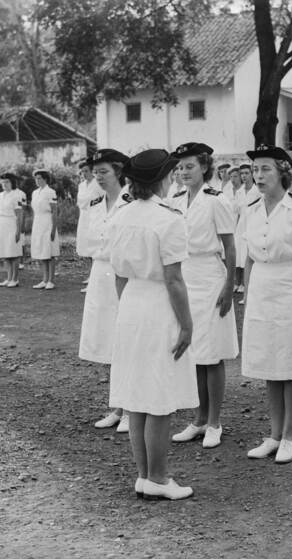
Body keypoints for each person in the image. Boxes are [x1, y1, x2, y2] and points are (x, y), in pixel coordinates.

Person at [108, 148, 197, 501]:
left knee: (136, 395)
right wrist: (187, 325)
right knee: (157, 396)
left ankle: (144, 476)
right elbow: (174, 279)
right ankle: (158, 478)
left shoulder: (119, 216)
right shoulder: (169, 218)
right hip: (159, 304)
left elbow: (117, 275)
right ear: (163, 178)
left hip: (132, 303)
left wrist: (127, 312)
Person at [241, 145, 292, 464]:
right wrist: (248, 295)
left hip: (289, 284)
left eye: (265, 170)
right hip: (261, 285)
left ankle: (290, 435)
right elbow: (247, 259)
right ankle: (273, 434)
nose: (258, 176)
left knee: (289, 362)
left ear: (283, 173)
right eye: (255, 170)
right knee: (268, 364)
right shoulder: (251, 209)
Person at [169, 142, 239, 449]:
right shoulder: (175, 200)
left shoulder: (216, 200)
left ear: (204, 168)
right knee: (194, 351)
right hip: (185, 275)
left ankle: (214, 422)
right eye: (181, 167)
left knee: (212, 353)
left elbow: (231, 246)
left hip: (210, 276)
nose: (184, 172)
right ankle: (198, 418)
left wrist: (229, 287)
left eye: (190, 166)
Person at [82, 149, 131, 433]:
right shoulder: (96, 203)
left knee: (125, 341)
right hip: (100, 274)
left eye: (104, 172)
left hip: (123, 274)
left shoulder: (130, 201)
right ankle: (117, 407)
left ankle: (130, 409)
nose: (99, 177)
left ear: (118, 171)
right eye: (96, 172)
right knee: (107, 341)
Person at [75, 159, 104, 293]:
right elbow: (80, 202)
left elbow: (104, 200)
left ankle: (94, 280)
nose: (84, 174)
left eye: (86, 171)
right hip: (84, 217)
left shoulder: (98, 184)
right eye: (82, 172)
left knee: (94, 247)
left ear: (92, 171)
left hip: (95, 217)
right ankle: (90, 275)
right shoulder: (81, 185)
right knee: (85, 247)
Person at [234, 163, 260, 303]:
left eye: (246, 173)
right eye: (242, 174)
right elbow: (238, 212)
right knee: (239, 254)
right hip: (241, 226)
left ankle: (248, 286)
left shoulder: (257, 191)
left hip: (252, 225)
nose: (244, 176)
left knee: (249, 256)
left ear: (252, 174)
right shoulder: (239, 191)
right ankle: (239, 283)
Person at [30, 169, 61, 290]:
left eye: (40, 178)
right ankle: (44, 279)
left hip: (48, 222)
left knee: (50, 252)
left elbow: (54, 211)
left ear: (46, 179)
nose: (37, 181)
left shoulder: (51, 192)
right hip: (38, 223)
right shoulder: (34, 193)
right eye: (36, 179)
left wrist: (53, 229)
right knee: (41, 251)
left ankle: (51, 281)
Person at [0, 173, 25, 287]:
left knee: (14, 252)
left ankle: (15, 279)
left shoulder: (16, 196)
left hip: (12, 223)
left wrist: (18, 231)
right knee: (6, 252)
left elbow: (19, 215)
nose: (4, 184)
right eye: (2, 182)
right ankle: (8, 278)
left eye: (7, 182)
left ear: (12, 182)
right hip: (2, 224)